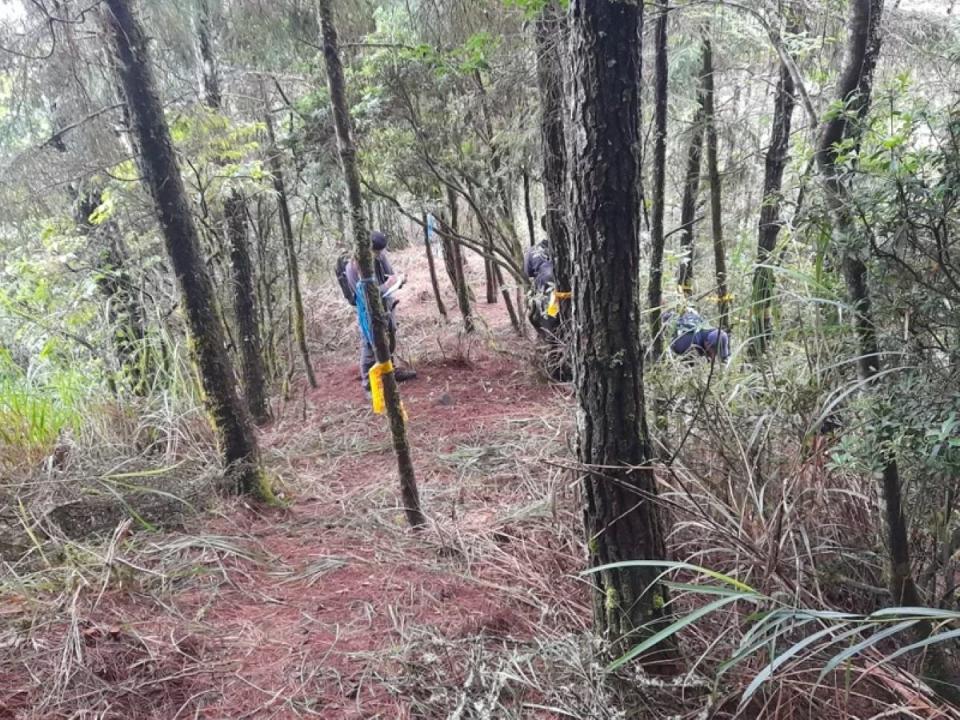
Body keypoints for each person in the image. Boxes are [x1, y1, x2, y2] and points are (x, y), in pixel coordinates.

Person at [344, 230, 417, 392]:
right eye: (377, 252)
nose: (380, 255)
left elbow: (390, 275)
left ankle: (389, 371)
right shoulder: (353, 268)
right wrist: (387, 286)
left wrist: (399, 280)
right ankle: (368, 385)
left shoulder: (380, 256)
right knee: (370, 345)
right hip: (369, 311)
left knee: (390, 337)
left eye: (381, 251)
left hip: (387, 304)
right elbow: (366, 295)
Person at [661, 306, 730, 363]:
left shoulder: (707, 327)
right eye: (716, 354)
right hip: (660, 325)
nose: (714, 358)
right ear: (707, 344)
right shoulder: (691, 345)